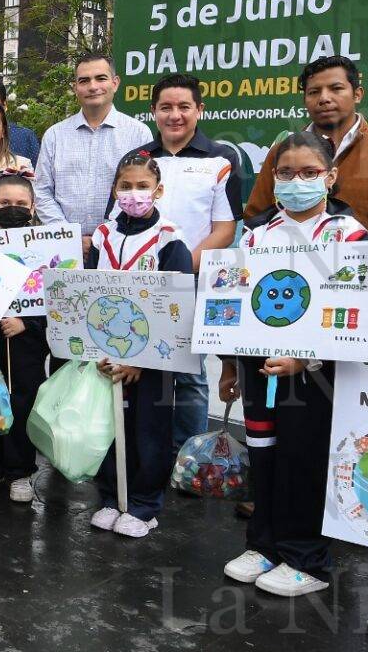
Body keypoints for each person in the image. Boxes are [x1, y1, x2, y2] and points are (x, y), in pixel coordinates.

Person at [220, 131, 368, 597]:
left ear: (331, 176)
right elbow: (232, 302)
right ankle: (263, 543)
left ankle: (307, 557)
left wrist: (306, 358)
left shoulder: (348, 235)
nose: (296, 182)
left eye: (309, 172)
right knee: (263, 453)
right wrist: (229, 362)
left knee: (303, 460)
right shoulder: (256, 233)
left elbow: (353, 314)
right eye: (285, 173)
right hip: (258, 366)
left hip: (314, 376)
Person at [109, 72, 243, 451]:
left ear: (200, 109)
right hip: (137, 284)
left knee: (189, 376)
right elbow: (116, 221)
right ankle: (143, 453)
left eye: (184, 106)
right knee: (139, 370)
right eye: (166, 107)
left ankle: (188, 459)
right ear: (153, 111)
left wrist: (179, 270)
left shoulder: (221, 158)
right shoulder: (137, 159)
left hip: (192, 281)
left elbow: (224, 229)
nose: (175, 115)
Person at [85, 152, 194, 538]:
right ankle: (111, 497)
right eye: (125, 186)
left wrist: (142, 361)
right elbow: (89, 293)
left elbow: (178, 306)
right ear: (114, 189)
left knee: (149, 431)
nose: (133, 194)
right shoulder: (103, 235)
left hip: (154, 361)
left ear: (158, 190)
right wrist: (96, 351)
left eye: (142, 186)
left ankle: (145, 505)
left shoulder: (169, 238)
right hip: (108, 354)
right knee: (111, 427)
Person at [245, 56, 368, 290]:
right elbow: (256, 218)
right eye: (314, 92)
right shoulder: (282, 152)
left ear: (357, 94)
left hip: (362, 291)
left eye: (336, 88)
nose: (324, 98)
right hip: (285, 290)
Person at [0, 174, 51, 504]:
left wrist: (27, 324)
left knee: (22, 402)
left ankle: (20, 470)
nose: (13, 208)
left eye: (21, 203)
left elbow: (56, 298)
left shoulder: (46, 246)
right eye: (5, 203)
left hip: (26, 344)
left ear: (33, 207)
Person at [33, 53, 154, 235]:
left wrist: (106, 236)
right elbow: (42, 191)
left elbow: (143, 189)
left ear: (115, 83)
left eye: (101, 78)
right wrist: (69, 235)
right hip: (66, 243)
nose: (93, 87)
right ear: (75, 88)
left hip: (120, 239)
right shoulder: (55, 136)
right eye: (84, 81)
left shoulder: (138, 133)